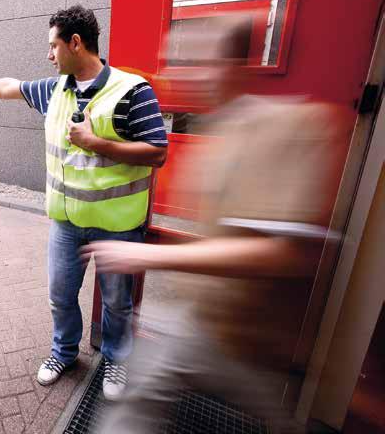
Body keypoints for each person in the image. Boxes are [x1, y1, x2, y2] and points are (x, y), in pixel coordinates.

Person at [82, 22, 346, 433]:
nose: (185, 75)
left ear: (234, 64)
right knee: (143, 393)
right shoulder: (219, 130)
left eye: (198, 63)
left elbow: (282, 253)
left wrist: (151, 254)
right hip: (203, 325)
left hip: (258, 344)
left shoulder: (292, 129)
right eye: (181, 64)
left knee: (277, 417)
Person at [0, 5, 167, 399]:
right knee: (60, 295)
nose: (49, 55)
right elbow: (11, 87)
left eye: (53, 46)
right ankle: (64, 353)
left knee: (117, 303)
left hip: (117, 224)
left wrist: (97, 143)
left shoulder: (132, 91)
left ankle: (116, 361)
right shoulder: (55, 89)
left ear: (75, 43)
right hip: (66, 223)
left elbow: (157, 152)